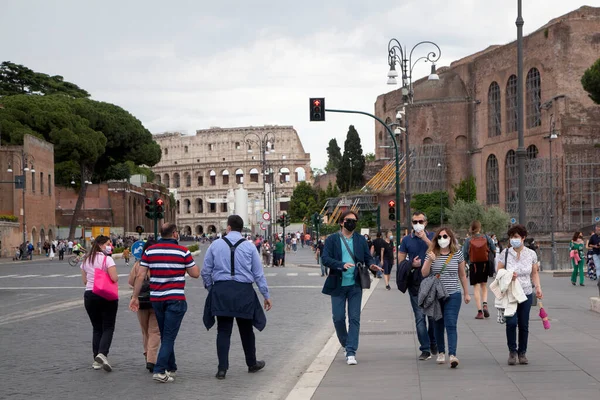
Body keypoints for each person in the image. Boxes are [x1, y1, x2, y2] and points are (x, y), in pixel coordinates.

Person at [202, 215, 272, 380]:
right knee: (246, 330)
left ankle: (222, 369)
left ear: (228, 228)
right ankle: (252, 363)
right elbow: (258, 274)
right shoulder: (249, 247)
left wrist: (212, 289)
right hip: (243, 292)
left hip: (222, 290)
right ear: (241, 229)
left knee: (223, 330)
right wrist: (266, 295)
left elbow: (206, 271)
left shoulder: (215, 245)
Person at [129, 223, 200, 383]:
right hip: (175, 298)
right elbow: (195, 274)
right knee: (168, 336)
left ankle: (171, 367)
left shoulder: (150, 251)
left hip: (157, 299)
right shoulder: (183, 251)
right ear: (175, 234)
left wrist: (134, 297)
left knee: (167, 333)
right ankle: (160, 370)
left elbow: (140, 276)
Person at [321, 210, 383, 365]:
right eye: (349, 220)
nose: (352, 223)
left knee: (354, 318)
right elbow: (325, 258)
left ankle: (351, 351)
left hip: (355, 284)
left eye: (355, 221)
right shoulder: (332, 239)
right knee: (338, 318)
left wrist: (372, 265)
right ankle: (346, 343)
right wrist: (341, 265)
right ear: (342, 222)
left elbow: (367, 258)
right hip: (337, 284)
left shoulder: (360, 240)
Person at [422, 227, 470, 368]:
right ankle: (441, 352)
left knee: (450, 323)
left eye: (445, 236)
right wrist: (429, 261)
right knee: (438, 324)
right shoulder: (431, 253)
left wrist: (466, 293)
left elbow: (462, 274)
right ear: (436, 239)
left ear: (450, 238)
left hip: (453, 294)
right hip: (436, 296)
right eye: (440, 237)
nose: (443, 239)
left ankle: (453, 355)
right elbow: (424, 273)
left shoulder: (457, 254)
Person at [497, 224, 543, 366]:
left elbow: (534, 272)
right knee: (511, 323)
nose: (513, 239)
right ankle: (512, 351)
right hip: (510, 293)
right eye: (511, 237)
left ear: (523, 238)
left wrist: (538, 288)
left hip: (526, 292)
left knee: (523, 324)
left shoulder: (531, 254)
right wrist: (508, 276)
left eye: (516, 237)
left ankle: (522, 352)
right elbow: (498, 273)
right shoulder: (505, 253)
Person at [398, 211, 438, 360]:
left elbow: (439, 252)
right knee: (420, 317)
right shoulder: (406, 240)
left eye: (420, 221)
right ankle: (425, 348)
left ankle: (433, 342)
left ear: (425, 223)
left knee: (433, 317)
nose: (417, 224)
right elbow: (401, 261)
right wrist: (412, 264)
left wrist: (425, 239)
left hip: (432, 282)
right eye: (415, 222)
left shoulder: (434, 236)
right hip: (415, 283)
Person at [80, 235, 118, 372]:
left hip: (89, 295)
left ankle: (96, 359)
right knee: (108, 326)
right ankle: (102, 353)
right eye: (108, 243)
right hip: (106, 295)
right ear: (102, 245)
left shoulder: (86, 259)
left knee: (97, 328)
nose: (110, 246)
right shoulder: (107, 259)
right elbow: (114, 278)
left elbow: (85, 281)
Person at [128, 240, 161, 373]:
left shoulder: (138, 264)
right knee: (155, 331)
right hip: (156, 300)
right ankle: (151, 360)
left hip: (141, 301)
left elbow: (131, 282)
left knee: (145, 330)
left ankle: (147, 354)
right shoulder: (159, 265)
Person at [462, 220, 496, 319]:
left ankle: (480, 312)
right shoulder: (486, 237)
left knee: (476, 288)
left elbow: (464, 255)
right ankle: (485, 304)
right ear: (479, 228)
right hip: (484, 264)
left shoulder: (468, 240)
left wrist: (466, 264)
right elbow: (494, 248)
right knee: (484, 286)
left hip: (473, 266)